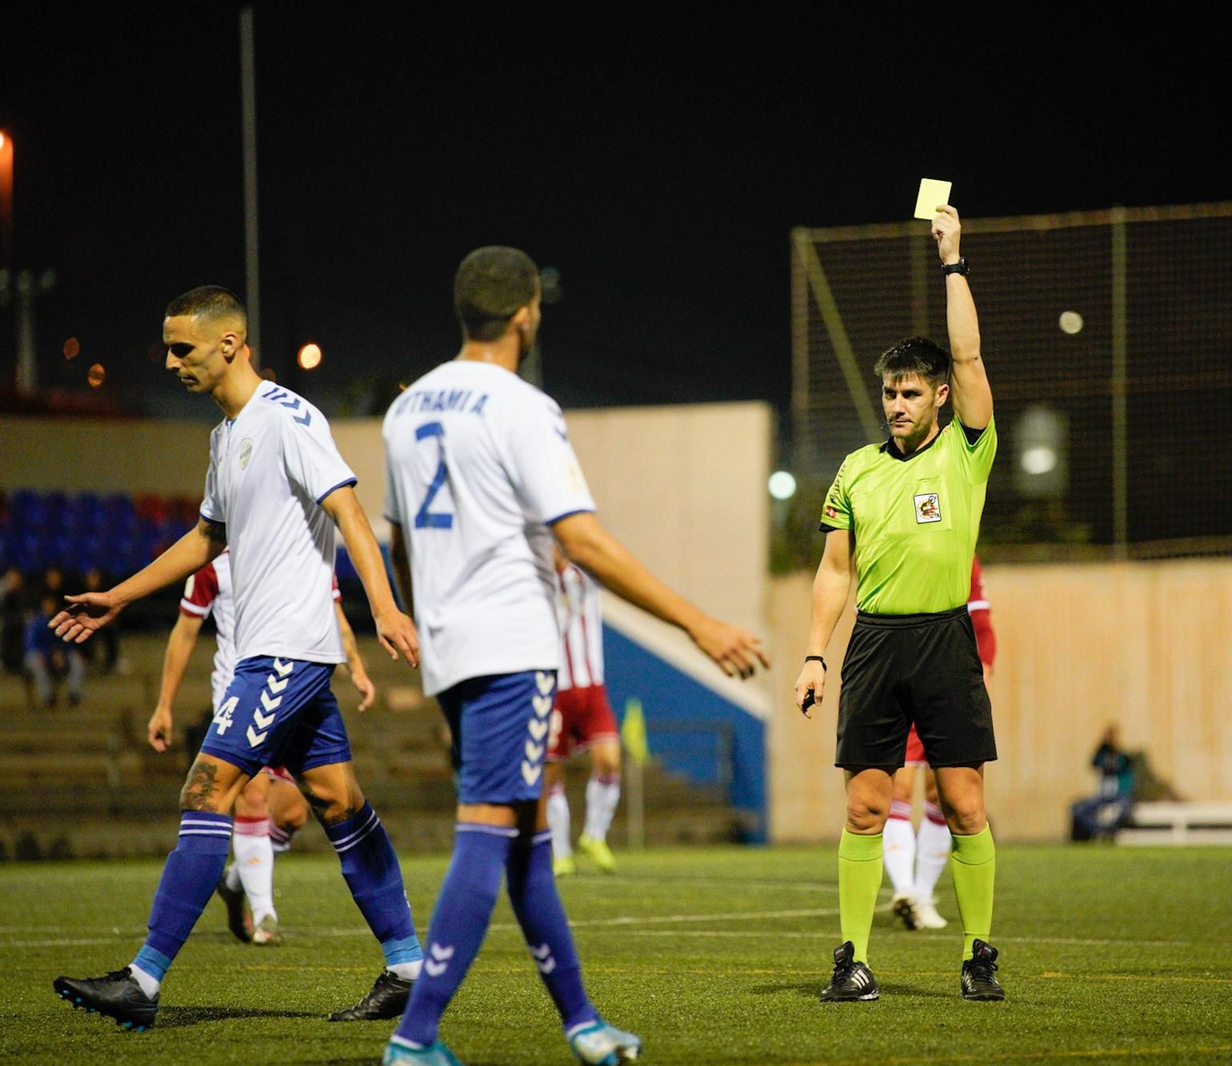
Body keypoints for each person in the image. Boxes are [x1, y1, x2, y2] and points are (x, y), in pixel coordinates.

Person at [379, 245, 766, 1066]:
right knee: (488, 832)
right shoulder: (523, 407)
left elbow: (401, 540)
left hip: (450, 648)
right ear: (526, 313)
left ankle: (583, 1026)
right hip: (512, 648)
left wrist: (427, 621)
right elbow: (581, 539)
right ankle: (414, 1039)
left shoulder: (404, 412)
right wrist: (698, 623)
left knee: (526, 841)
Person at [49, 285, 424, 1032]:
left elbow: (348, 508)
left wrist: (380, 605)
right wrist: (117, 597)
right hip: (275, 648)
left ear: (230, 344)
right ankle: (410, 968)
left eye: (182, 347)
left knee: (206, 790)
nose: (170, 361)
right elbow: (205, 540)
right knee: (339, 804)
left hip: (285, 646)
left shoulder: (289, 418)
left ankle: (144, 981)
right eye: (167, 347)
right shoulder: (225, 436)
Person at [795, 204, 1003, 1003]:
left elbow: (973, 353)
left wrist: (952, 259)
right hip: (875, 645)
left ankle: (979, 955)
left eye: (911, 392)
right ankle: (852, 959)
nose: (896, 404)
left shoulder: (967, 449)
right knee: (864, 805)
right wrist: (816, 652)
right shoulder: (855, 470)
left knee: (963, 801)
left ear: (942, 396)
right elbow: (833, 572)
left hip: (945, 640)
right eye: (889, 393)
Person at [146, 550, 375, 946]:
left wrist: (355, 667)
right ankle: (265, 914)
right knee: (251, 797)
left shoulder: (309, 550)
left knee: (291, 813)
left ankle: (236, 882)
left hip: (293, 690)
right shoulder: (214, 558)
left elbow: (334, 615)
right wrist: (165, 704)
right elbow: (185, 630)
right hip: (240, 692)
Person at [885, 555, 994, 930]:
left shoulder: (962, 554)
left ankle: (922, 894)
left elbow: (980, 621)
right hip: (898, 677)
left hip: (947, 682)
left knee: (940, 796)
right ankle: (904, 890)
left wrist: (982, 669)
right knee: (896, 787)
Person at [547, 544, 622, 876]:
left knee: (609, 761)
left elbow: (607, 560)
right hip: (554, 689)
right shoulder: (535, 585)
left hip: (591, 686)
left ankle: (594, 837)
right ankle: (560, 852)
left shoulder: (585, 578)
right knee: (551, 774)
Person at [1069, 725, 1135, 842]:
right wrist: (1102, 746)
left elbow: (1127, 770)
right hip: (1103, 796)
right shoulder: (1103, 754)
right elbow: (1093, 763)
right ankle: (1098, 829)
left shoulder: (1123, 757)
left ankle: (1109, 830)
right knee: (1079, 810)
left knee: (1124, 810)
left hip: (1120, 795)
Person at [24, 594, 86, 708]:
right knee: (37, 663)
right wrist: (47, 654)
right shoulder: (35, 622)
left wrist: (60, 652)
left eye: (52, 605)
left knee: (77, 661)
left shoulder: (61, 621)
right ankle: (48, 697)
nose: (49, 607)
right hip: (37, 656)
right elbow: (31, 645)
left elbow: (66, 642)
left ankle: (74, 694)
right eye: (47, 604)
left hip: (58, 655)